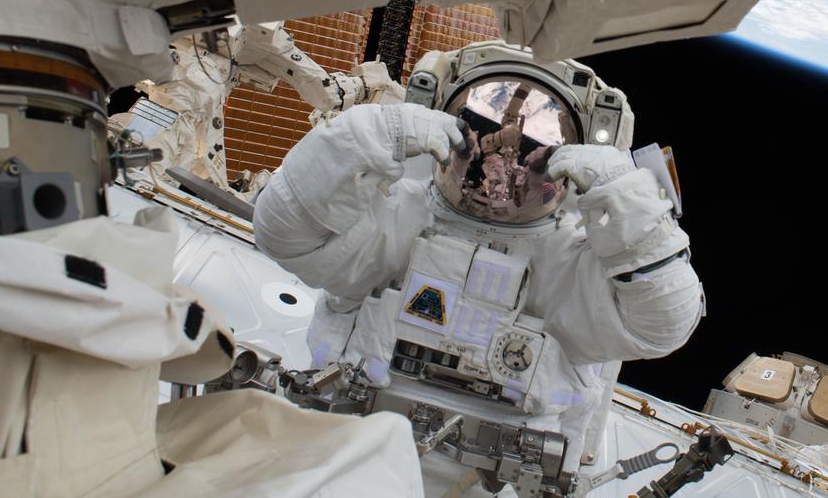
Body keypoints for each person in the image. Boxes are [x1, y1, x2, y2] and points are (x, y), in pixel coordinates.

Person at [253, 41, 705, 492]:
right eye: (481, 130)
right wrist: (363, 138)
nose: (501, 174)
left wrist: (632, 208)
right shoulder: (397, 219)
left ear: (570, 161)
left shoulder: (571, 265)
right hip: (347, 447)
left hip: (500, 479)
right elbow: (283, 232)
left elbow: (662, 325)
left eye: (536, 148)